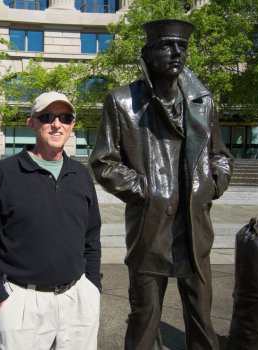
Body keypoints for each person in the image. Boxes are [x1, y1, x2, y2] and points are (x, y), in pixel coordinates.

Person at [89, 19, 233, 350]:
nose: (176, 53)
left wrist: (212, 185)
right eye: (166, 46)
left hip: (194, 231)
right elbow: (103, 162)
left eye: (182, 47)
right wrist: (149, 191)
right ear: (148, 53)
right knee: (144, 318)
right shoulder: (122, 101)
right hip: (150, 230)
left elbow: (220, 155)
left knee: (201, 319)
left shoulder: (203, 101)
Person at [0, 91, 102, 350]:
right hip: (22, 303)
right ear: (32, 124)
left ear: (72, 124)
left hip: (78, 300)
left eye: (65, 117)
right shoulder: (4, 174)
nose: (56, 124)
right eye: (47, 117)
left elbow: (91, 238)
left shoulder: (81, 176)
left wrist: (92, 287)